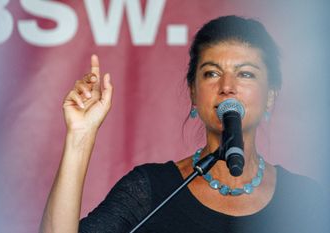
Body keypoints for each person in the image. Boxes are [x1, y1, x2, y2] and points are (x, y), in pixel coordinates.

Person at [39, 15, 327, 233]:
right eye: (212, 73)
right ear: (193, 92)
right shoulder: (151, 189)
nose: (227, 87)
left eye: (246, 74)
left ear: (270, 96)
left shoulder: (306, 200)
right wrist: (80, 135)